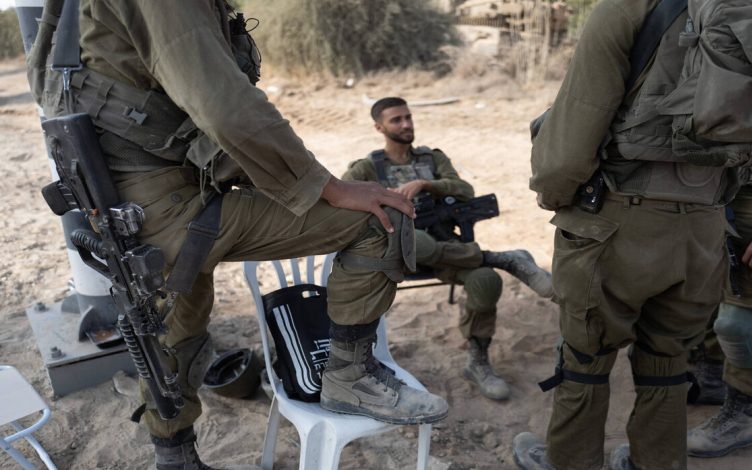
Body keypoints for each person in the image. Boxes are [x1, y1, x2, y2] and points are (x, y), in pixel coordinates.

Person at [27, 1, 447, 469]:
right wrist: (329, 187)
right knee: (379, 217)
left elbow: (47, 80)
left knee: (173, 333)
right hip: (170, 206)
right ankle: (350, 378)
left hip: (126, 207)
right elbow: (226, 107)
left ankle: (175, 457)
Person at [510, 0, 741, 468]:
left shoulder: (627, 8)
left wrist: (553, 194)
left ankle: (569, 461)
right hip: (706, 225)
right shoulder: (751, 11)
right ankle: (655, 462)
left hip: (618, 221)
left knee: (585, 356)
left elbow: (573, 133)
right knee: (668, 359)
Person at [342, 97, 553, 401]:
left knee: (486, 280)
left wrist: (427, 185)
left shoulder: (432, 160)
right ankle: (501, 258)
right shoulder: (367, 168)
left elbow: (465, 190)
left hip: (444, 249)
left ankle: (478, 362)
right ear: (379, 127)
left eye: (408, 117)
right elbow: (345, 201)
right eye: (396, 120)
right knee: (413, 239)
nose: (406, 124)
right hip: (395, 255)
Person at [686, 169, 752, 458]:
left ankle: (739, 418)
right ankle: (713, 382)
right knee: (707, 299)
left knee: (739, 326)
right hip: (719, 208)